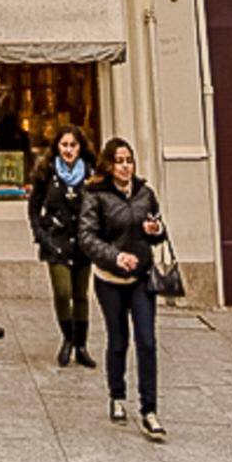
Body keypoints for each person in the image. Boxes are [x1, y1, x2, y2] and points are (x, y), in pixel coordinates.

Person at [78, 137, 168, 441]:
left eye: (128, 160)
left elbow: (158, 230)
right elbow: (87, 238)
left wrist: (155, 230)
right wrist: (115, 256)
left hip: (142, 278)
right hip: (110, 280)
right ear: (108, 164)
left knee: (147, 341)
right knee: (118, 341)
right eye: (119, 161)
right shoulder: (96, 196)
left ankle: (149, 410)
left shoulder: (145, 194)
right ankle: (117, 395)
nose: (125, 166)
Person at [27, 125, 96, 368]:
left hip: (83, 243)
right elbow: (34, 205)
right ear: (57, 146)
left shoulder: (90, 172)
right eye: (64, 145)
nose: (68, 150)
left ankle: (81, 346)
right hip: (55, 241)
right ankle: (68, 338)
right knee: (62, 292)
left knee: (81, 295)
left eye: (73, 145)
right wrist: (40, 233)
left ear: (80, 147)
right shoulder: (46, 172)